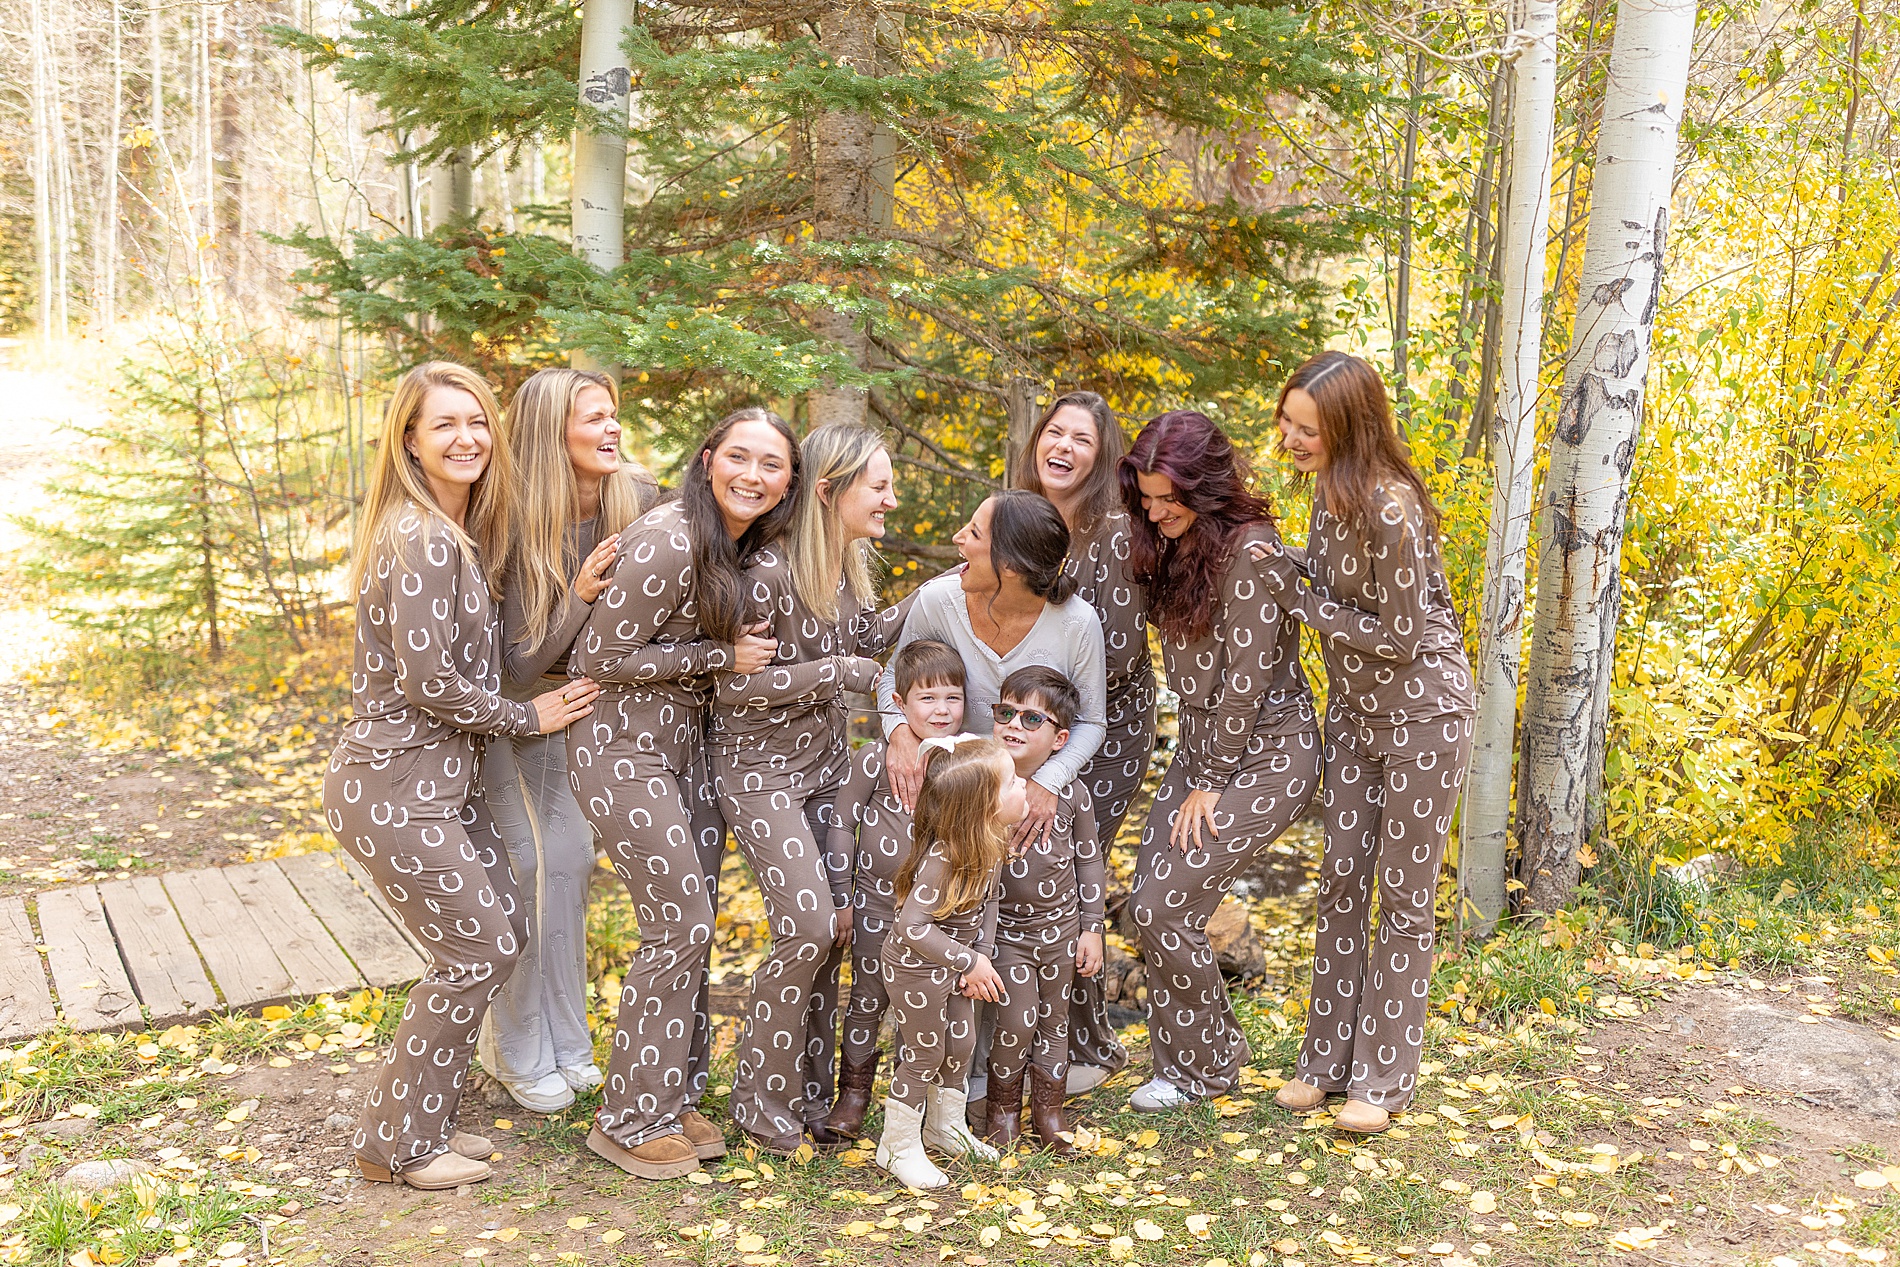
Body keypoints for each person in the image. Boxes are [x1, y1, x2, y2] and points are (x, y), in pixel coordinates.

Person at [323, 362, 599, 1190]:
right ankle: (398, 1145)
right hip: (394, 786)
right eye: (444, 423)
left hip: (447, 786)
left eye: (478, 421)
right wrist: (528, 718)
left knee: (499, 930)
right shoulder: (420, 537)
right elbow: (430, 682)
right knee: (476, 947)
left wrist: (576, 603)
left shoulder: (458, 535)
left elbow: (487, 661)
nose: (467, 437)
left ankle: (420, 1122)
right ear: (410, 440)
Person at [1255, 352, 1476, 1135]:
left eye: (1306, 428)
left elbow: (1403, 634)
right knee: (1342, 879)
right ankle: (1324, 1062)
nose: (1290, 439)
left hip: (1425, 716)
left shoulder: (1391, 504)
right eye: (1287, 422)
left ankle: (1380, 1079)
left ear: (1349, 428)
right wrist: (1283, 562)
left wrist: (1302, 602)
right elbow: (1333, 582)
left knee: (1404, 900)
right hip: (1353, 716)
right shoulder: (1327, 490)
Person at [568, 407, 788, 1178]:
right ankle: (628, 1117)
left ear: (789, 482)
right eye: (739, 456)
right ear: (707, 459)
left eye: (771, 464)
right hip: (620, 749)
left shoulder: (731, 542)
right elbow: (600, 656)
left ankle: (674, 1094)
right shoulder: (672, 537)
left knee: (692, 924)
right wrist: (719, 655)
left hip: (681, 749)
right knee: (681, 922)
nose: (752, 475)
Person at [712, 423, 912, 1154]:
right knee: (806, 927)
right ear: (829, 491)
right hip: (758, 772)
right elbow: (732, 687)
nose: (891, 499)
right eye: (879, 486)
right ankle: (759, 1100)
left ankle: (809, 1094)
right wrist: (837, 673)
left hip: (826, 769)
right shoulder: (767, 573)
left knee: (835, 933)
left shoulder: (844, 568)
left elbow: (863, 638)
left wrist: (943, 590)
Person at [1117, 409, 1321, 1114]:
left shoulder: (1251, 549)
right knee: (1149, 902)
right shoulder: (1172, 544)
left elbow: (1247, 681)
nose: (1155, 512)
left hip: (1270, 751)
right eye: (1147, 499)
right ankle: (1198, 1056)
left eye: (1167, 499)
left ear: (1204, 487)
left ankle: (1205, 1068)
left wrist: (1207, 781)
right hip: (1204, 745)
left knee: (1163, 905)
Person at [480, 368, 656, 1114]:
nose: (612, 428)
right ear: (553, 432)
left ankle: (569, 1039)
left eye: (614, 414)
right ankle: (515, 1049)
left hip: (582, 712)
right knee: (522, 866)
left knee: (573, 862)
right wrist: (581, 595)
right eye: (594, 418)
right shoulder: (514, 518)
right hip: (508, 712)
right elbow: (519, 664)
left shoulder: (636, 495)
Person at [1012, 391, 1151, 1095]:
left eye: (1082, 440)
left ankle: (1085, 1047)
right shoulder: (1019, 517)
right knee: (1028, 869)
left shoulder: (1114, 535)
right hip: (1032, 728)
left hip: (1106, 730)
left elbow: (1118, 654)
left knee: (1066, 873)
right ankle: (1037, 1038)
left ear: (1102, 459)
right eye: (1055, 432)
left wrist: (1026, 686)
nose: (1063, 447)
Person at [822, 638, 968, 1141]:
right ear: (900, 704)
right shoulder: (876, 758)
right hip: (874, 906)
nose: (942, 710)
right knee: (867, 999)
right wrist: (841, 898)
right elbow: (842, 825)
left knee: (925, 1008)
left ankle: (914, 1104)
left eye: (952, 697)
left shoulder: (968, 762)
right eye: (928, 698)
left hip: (936, 917)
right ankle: (853, 1093)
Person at [875, 734, 1025, 1190]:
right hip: (915, 967)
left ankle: (944, 1128)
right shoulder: (945, 856)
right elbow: (911, 926)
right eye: (1012, 782)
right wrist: (968, 961)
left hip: (954, 964)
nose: (1023, 786)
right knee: (925, 1052)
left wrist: (980, 957)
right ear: (984, 807)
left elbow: (991, 902)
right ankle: (896, 1146)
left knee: (961, 1045)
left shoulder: (991, 840)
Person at [981, 667, 1104, 1153]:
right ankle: (1002, 1111)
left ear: (1060, 740)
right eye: (1005, 713)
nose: (1014, 725)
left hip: (1062, 933)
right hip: (1006, 934)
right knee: (1017, 1021)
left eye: (1032, 719)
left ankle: (1050, 1112)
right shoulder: (981, 783)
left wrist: (1092, 929)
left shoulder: (1071, 794)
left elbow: (1089, 861)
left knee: (1055, 1022)